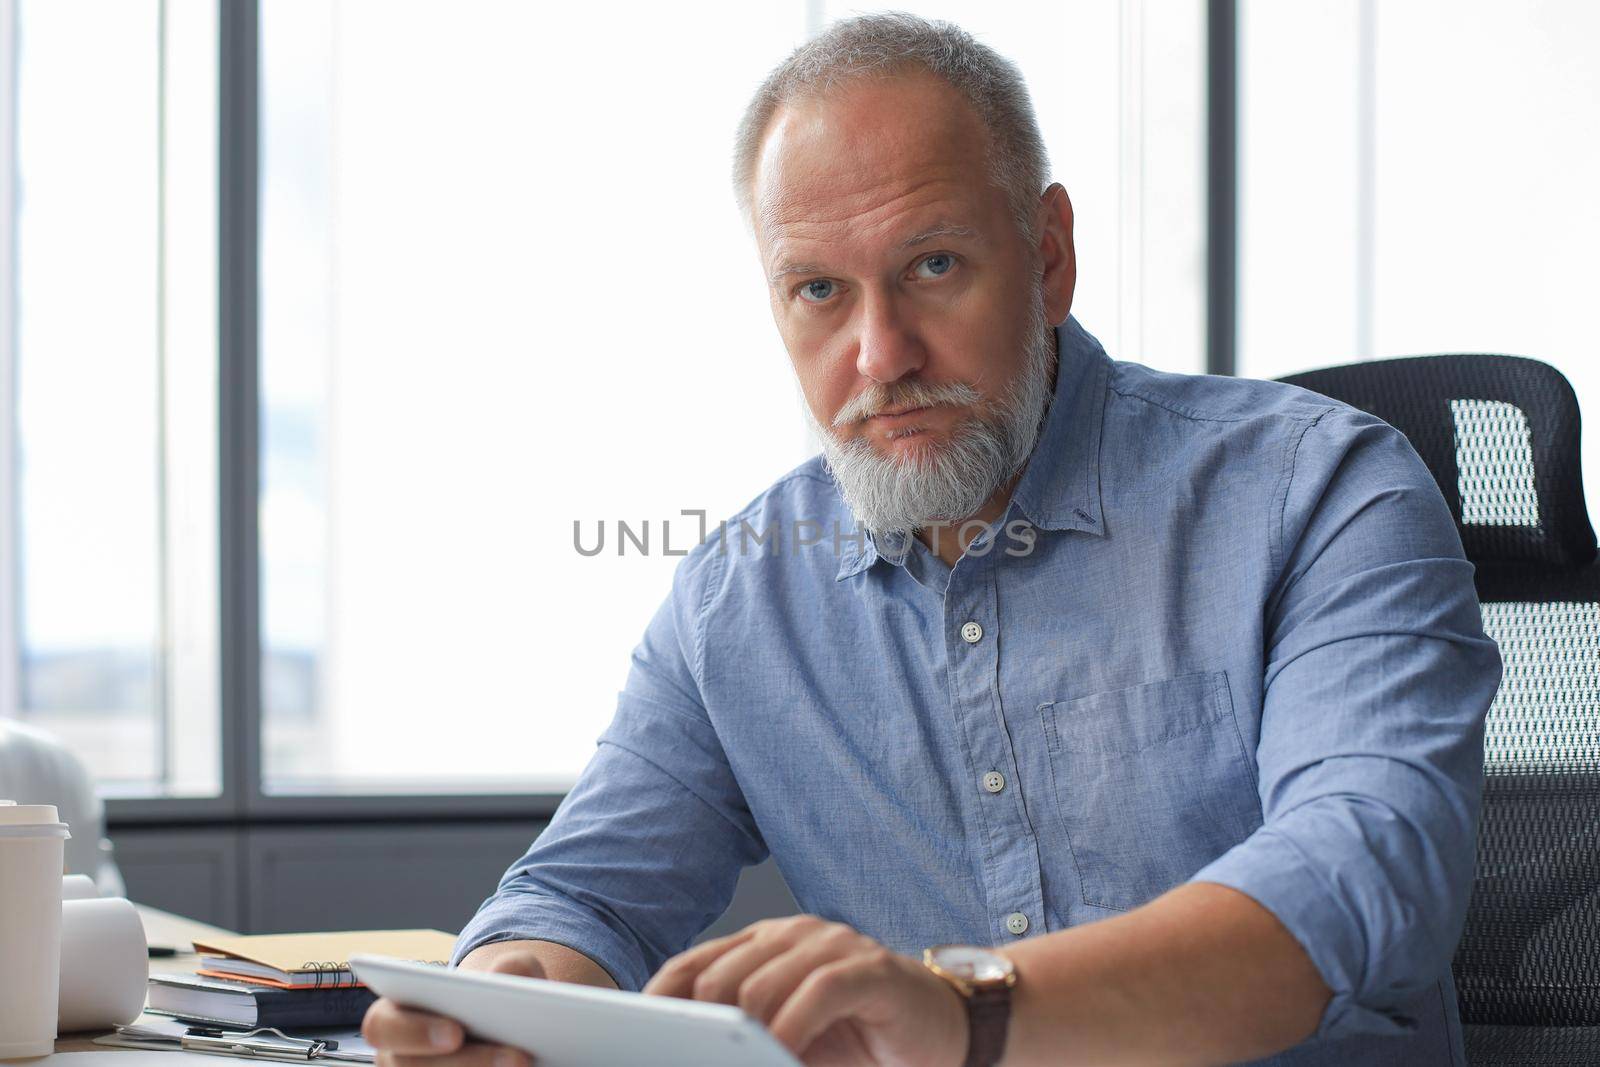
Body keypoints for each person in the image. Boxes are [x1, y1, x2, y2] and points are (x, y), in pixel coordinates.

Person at [363, 13, 1501, 1066]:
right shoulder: (738, 598)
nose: (880, 354)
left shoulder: (1318, 490)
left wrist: (969, 1006)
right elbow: (582, 899)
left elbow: (1362, 872)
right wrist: (504, 993)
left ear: (1048, 254)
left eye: (933, 266)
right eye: (818, 290)